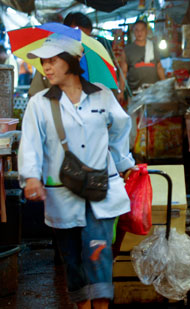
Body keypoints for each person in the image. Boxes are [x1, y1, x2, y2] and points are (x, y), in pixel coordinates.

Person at [18, 33, 135, 309]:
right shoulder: (39, 103)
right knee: (72, 259)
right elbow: (30, 142)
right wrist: (31, 177)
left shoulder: (102, 96)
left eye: (52, 60)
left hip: (100, 191)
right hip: (62, 194)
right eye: (43, 62)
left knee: (98, 254)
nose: (46, 67)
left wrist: (122, 163)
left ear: (71, 61)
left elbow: (121, 130)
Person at [118, 20, 165, 101]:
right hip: (134, 93)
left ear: (146, 31)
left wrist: (165, 85)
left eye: (142, 30)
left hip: (153, 92)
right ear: (133, 32)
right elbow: (123, 72)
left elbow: (159, 67)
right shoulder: (127, 50)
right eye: (137, 30)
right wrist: (121, 92)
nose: (139, 33)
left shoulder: (153, 48)